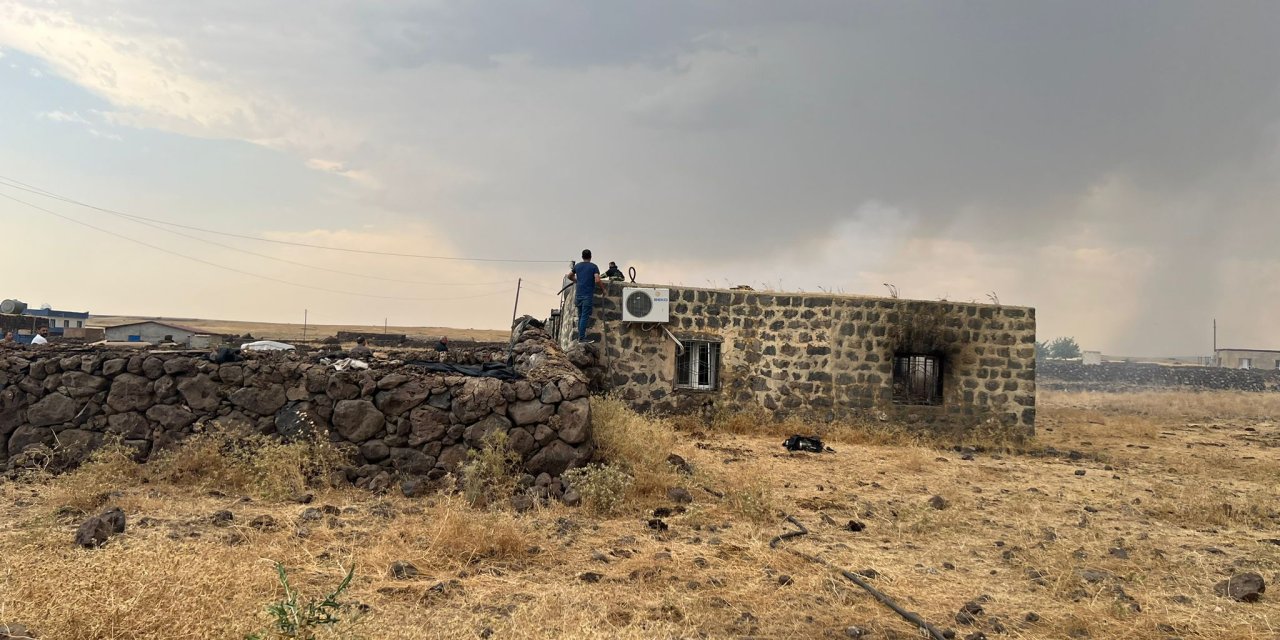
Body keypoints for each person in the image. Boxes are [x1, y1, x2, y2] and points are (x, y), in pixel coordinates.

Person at [567, 248, 604, 343]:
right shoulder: (594, 267)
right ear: (590, 257)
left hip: (578, 295)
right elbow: (597, 280)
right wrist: (603, 289)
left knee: (580, 317)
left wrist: (577, 280)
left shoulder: (577, 266)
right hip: (587, 295)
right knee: (584, 317)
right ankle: (582, 338)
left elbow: (569, 276)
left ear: (582, 257)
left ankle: (580, 337)